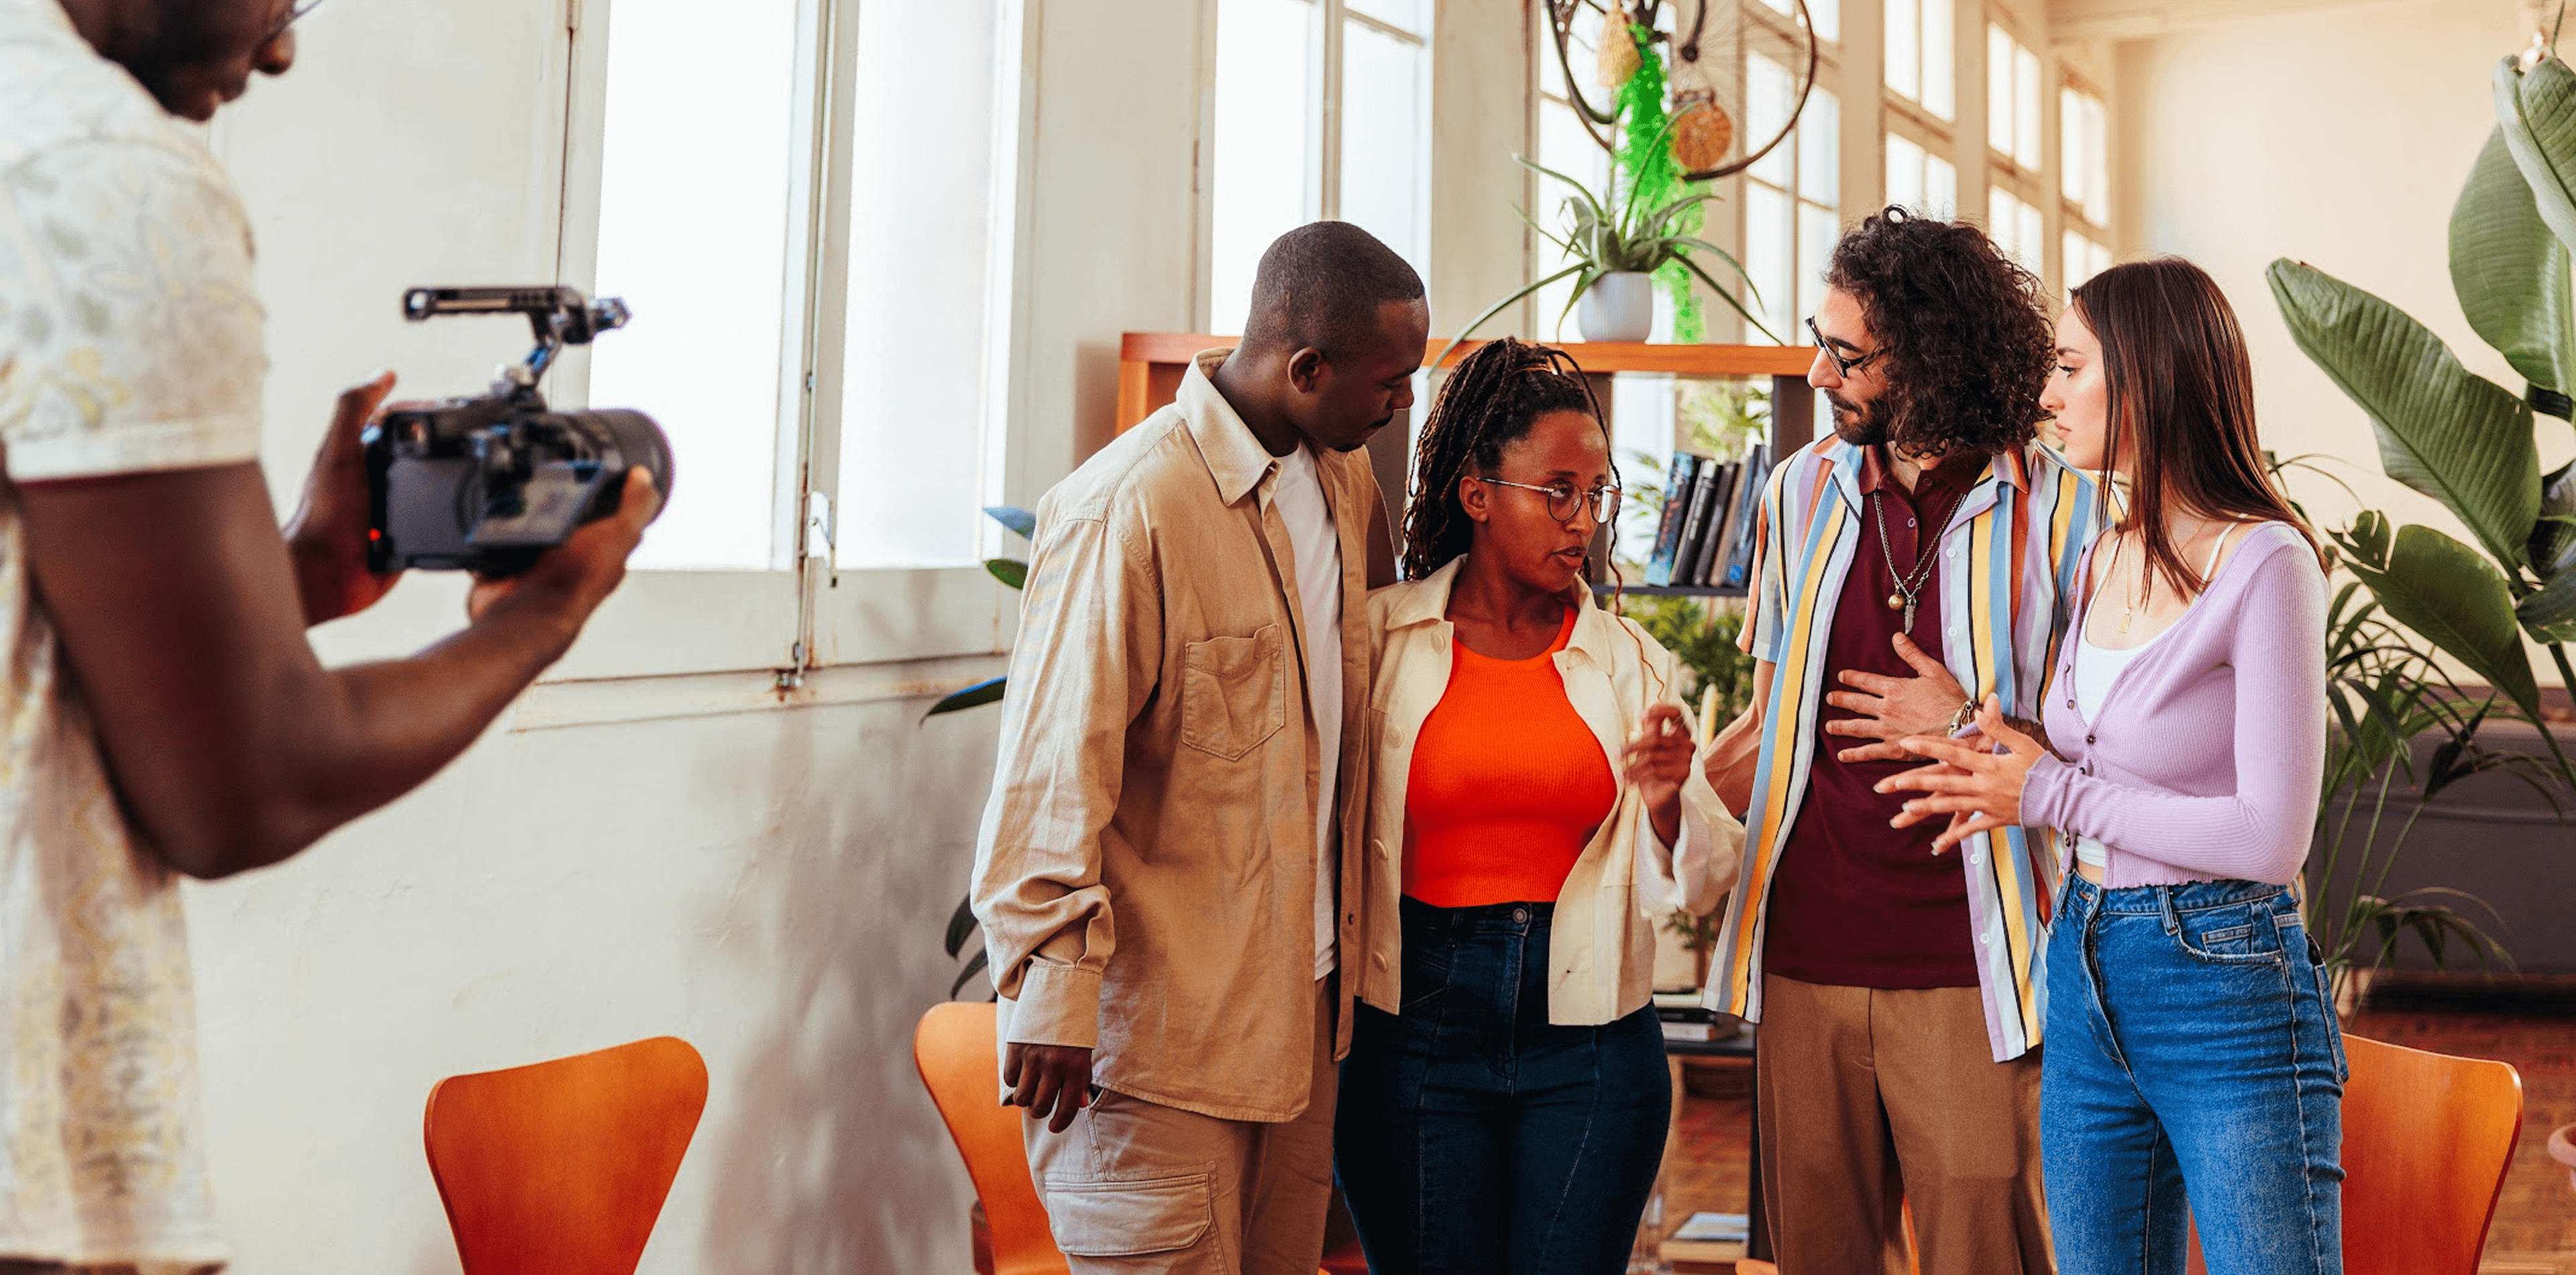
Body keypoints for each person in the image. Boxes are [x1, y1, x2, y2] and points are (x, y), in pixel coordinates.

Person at [0, 1, 657, 1272]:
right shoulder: (102, 175)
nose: (284, 48)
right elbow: (245, 788)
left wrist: (290, 577)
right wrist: (544, 616)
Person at [971, 220, 1424, 1275]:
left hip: (1299, 1027)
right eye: (1390, 380)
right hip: (1154, 1057)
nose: (1403, 402)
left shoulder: (1341, 480)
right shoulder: (1129, 506)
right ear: (1306, 368)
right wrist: (1050, 993)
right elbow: (1050, 769)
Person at [1885, 257, 2340, 1274]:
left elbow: (2270, 836)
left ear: (2148, 373)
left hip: (2224, 978)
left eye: (2071, 366)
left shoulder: (2269, 563)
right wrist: (1984, 758)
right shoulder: (2102, 553)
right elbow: (2094, 776)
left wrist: (2042, 790)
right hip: (2084, 957)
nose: (2047, 394)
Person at [1699, 207, 2096, 1274]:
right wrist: (1661, 783)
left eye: (1847, 353)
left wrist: (1965, 719)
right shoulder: (1796, 493)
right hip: (1806, 956)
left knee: (1989, 1255)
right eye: (1820, 340)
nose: (1819, 372)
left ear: (1931, 356)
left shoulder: (2070, 517)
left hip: (1980, 967)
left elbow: (2099, 765)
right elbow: (1768, 721)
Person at [1334, 338, 1741, 1274]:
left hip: (1592, 1040)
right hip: (1413, 1029)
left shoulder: (1631, 659)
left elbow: (1699, 878)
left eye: (1597, 495)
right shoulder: (1380, 643)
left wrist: (1671, 801)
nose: (1583, 521)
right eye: (1557, 490)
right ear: (1477, 492)